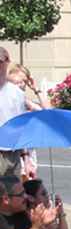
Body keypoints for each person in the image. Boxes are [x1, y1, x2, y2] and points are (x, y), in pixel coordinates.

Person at [0, 47, 35, 178]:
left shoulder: (17, 93)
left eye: (0, 62)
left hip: (13, 153)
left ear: (7, 62)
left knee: (14, 194)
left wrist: (26, 160)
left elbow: (21, 127)